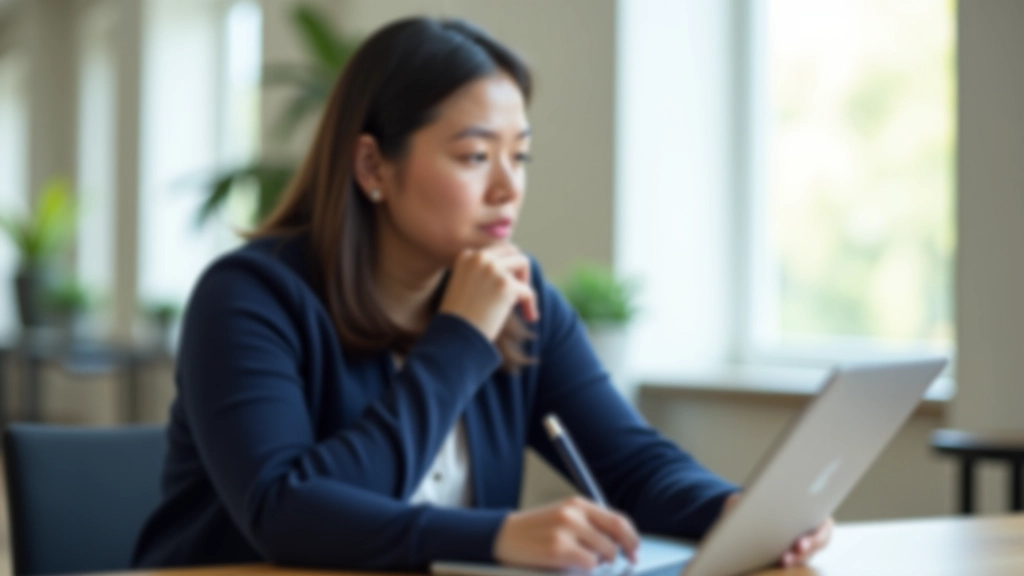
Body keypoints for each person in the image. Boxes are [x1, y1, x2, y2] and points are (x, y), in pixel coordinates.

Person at [133, 17, 831, 572]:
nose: (508, 187)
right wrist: (461, 345)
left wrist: (734, 509)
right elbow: (287, 514)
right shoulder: (249, 299)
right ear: (374, 165)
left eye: (518, 155)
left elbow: (630, 464)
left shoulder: (522, 295)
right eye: (474, 156)